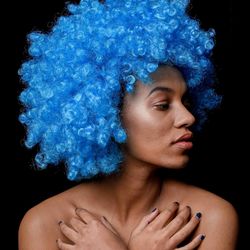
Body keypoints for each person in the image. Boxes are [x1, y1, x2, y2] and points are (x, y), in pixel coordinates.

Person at [18, 0, 238, 249]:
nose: (188, 117)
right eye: (163, 104)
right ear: (108, 113)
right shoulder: (44, 224)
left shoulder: (212, 217)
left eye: (185, 102)